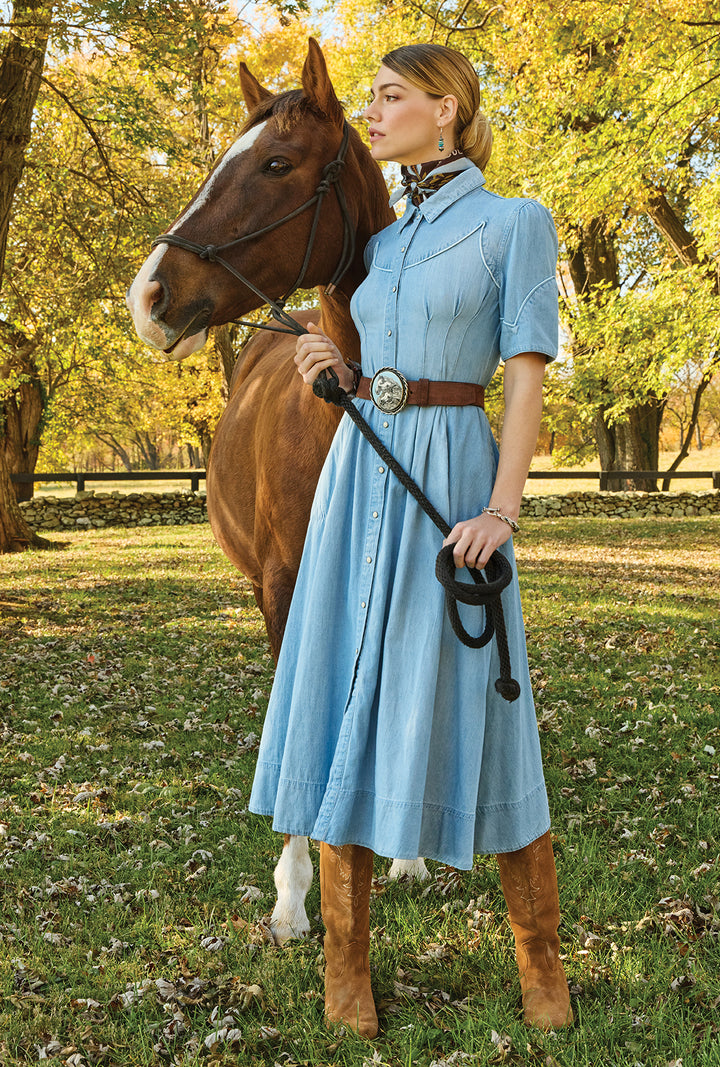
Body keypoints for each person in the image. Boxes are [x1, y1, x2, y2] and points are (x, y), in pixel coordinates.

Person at [246, 42, 570, 1036]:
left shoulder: (514, 225)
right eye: (374, 98)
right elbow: (367, 362)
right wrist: (325, 361)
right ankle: (346, 962)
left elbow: (522, 374)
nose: (373, 113)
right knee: (347, 697)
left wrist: (502, 511)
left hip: (453, 483)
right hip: (362, 479)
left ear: (447, 106)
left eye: (391, 98)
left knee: (484, 701)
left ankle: (540, 958)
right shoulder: (377, 247)